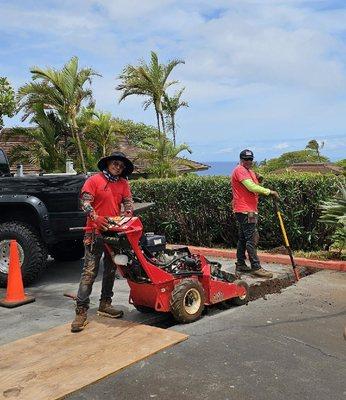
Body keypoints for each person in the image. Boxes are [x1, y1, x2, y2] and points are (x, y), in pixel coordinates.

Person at [71, 152, 134, 333]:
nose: (118, 167)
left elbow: (129, 204)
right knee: (89, 272)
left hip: (114, 233)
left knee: (111, 270)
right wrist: (95, 218)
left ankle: (105, 304)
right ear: (107, 164)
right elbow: (85, 203)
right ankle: (81, 311)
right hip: (94, 232)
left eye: (121, 166)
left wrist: (127, 217)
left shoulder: (123, 183)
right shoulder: (94, 180)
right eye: (115, 164)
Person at [231, 149, 279, 278]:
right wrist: (270, 192)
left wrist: (258, 178)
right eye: (246, 159)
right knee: (252, 238)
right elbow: (251, 187)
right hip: (247, 211)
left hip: (246, 209)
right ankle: (256, 267)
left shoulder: (249, 171)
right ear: (241, 159)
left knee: (243, 239)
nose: (248, 161)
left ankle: (240, 264)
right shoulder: (240, 170)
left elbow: (254, 184)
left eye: (250, 159)